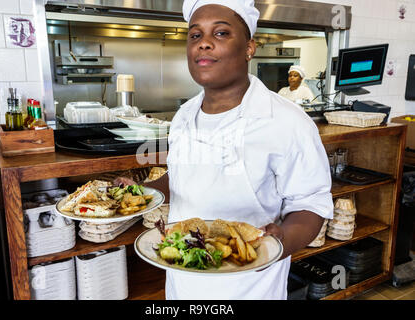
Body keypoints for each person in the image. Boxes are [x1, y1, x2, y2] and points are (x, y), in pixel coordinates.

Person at [121, 0, 333, 300]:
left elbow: (311, 203)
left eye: (220, 33)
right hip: (183, 281)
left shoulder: (287, 122)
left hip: (250, 286)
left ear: (249, 47)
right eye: (195, 35)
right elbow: (184, 177)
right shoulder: (184, 116)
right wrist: (142, 192)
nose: (204, 44)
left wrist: (283, 240)